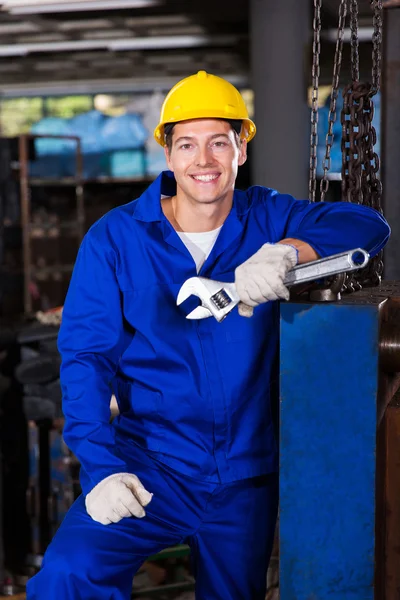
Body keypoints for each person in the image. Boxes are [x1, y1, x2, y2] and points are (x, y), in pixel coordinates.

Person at [27, 70, 390, 600]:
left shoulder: (268, 216)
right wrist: (102, 470)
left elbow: (368, 226)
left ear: (241, 148)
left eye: (219, 143)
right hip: (150, 468)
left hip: (246, 477)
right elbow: (85, 359)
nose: (204, 160)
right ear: (168, 155)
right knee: (68, 574)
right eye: (188, 145)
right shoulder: (116, 238)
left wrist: (289, 252)